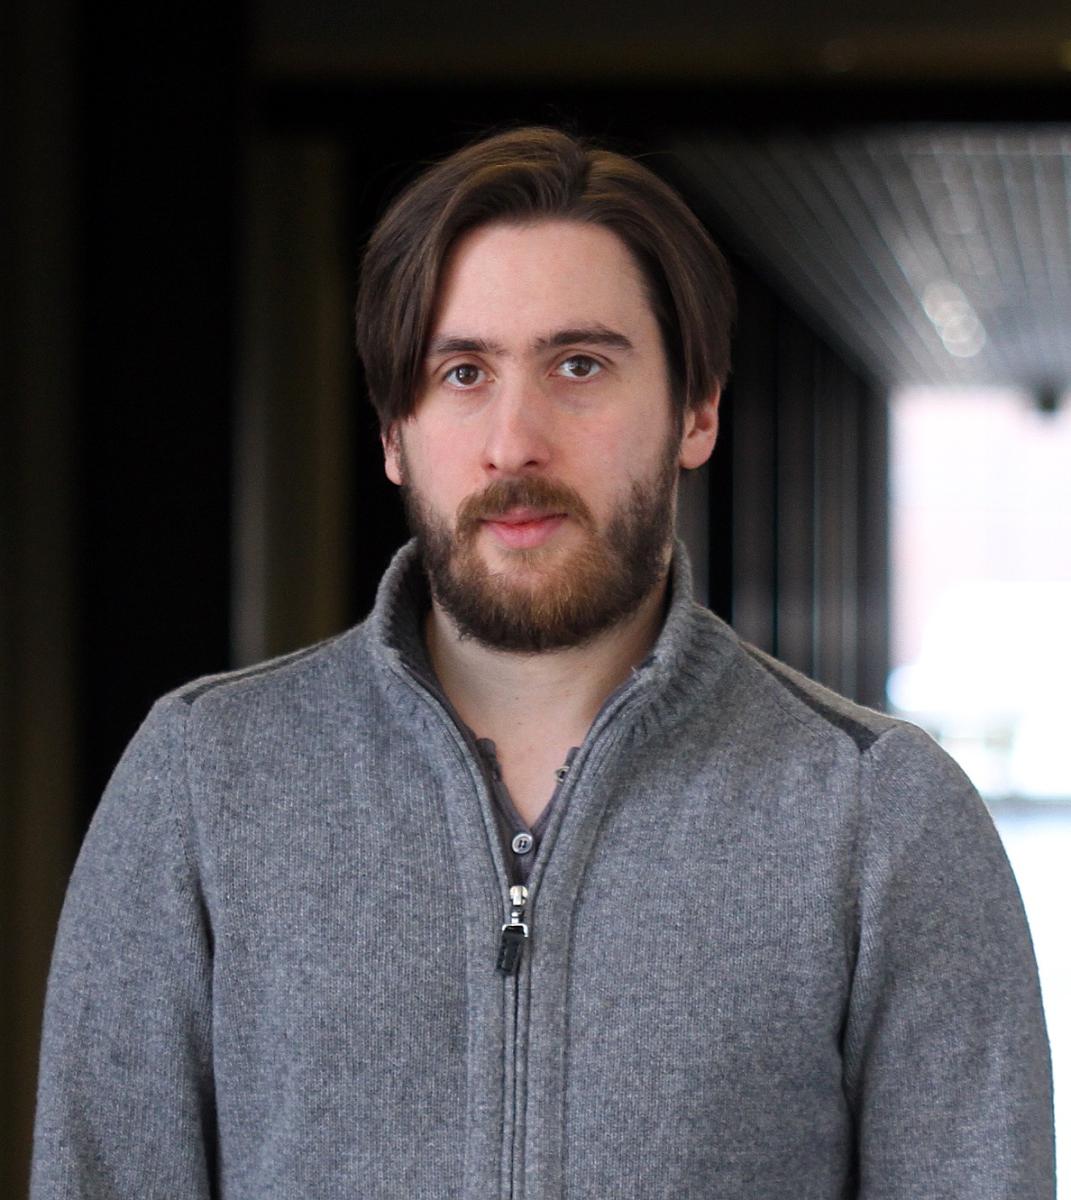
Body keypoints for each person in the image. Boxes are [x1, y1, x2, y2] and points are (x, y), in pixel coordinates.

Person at [33, 127, 1054, 1199]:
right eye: (461, 371)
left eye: (580, 366)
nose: (514, 440)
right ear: (394, 431)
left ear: (696, 409)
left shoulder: (880, 818)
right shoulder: (201, 786)